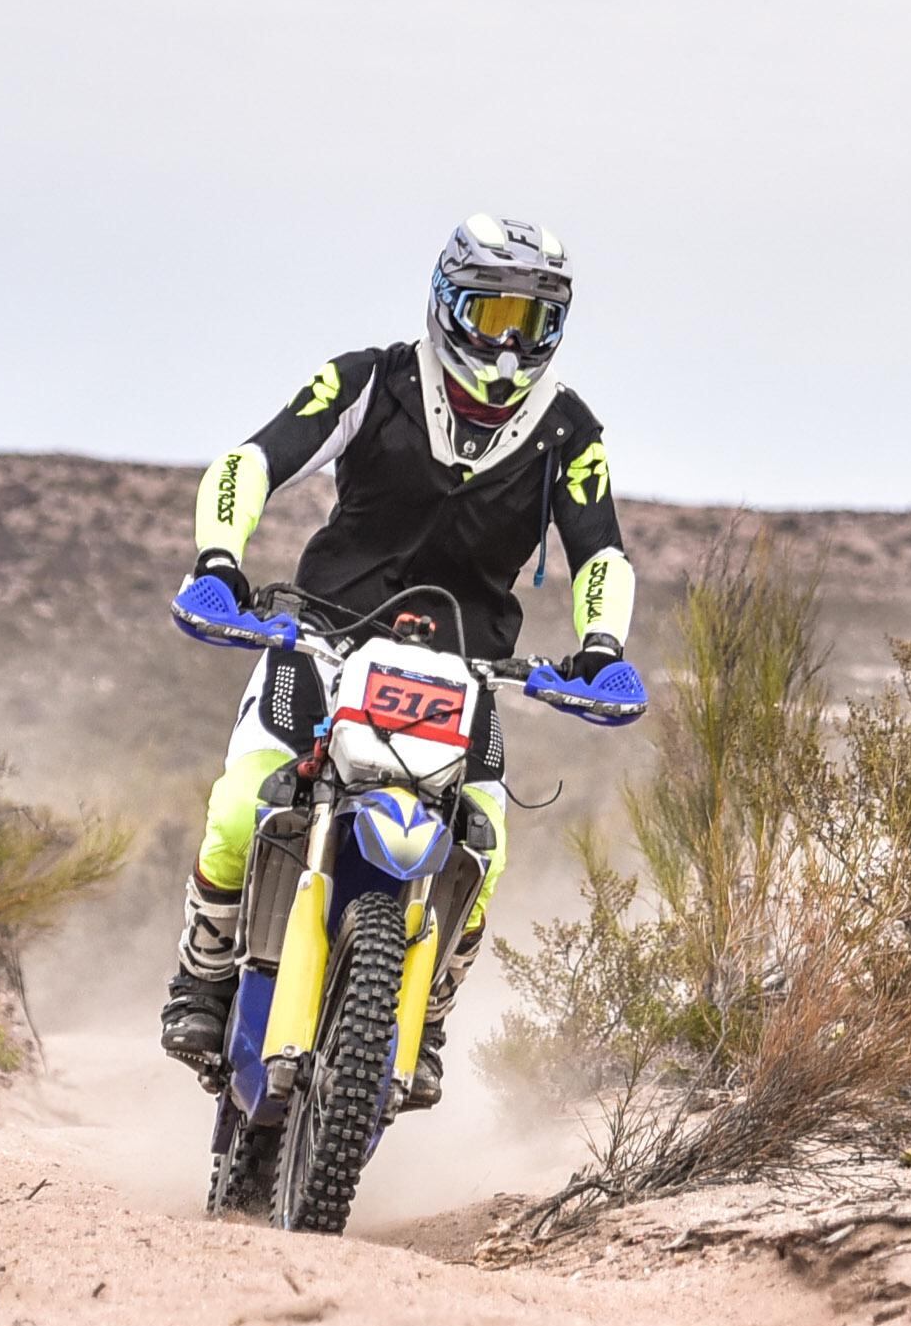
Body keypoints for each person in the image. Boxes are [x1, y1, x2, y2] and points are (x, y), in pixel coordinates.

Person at [157, 214, 645, 1105]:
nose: (507, 344)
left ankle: (424, 1016)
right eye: (490, 315)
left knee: (484, 852)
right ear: (446, 303)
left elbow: (601, 551)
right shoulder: (369, 380)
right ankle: (202, 974)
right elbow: (253, 460)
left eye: (530, 323)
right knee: (239, 810)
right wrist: (220, 561)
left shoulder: (569, 432)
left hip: (466, 676)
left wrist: (603, 648)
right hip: (319, 638)